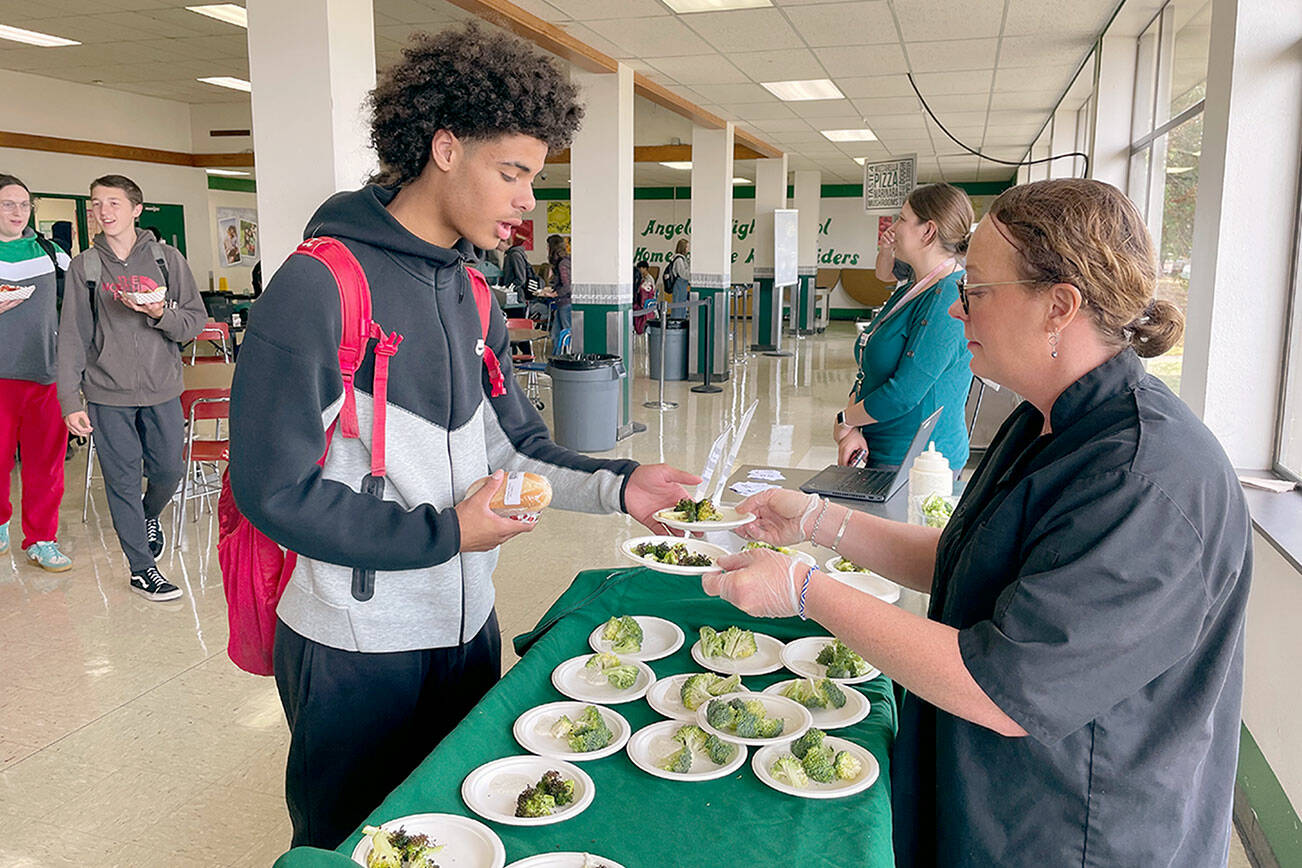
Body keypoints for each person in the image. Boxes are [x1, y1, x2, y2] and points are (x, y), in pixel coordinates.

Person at [227, 24, 698, 850]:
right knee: (357, 843)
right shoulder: (319, 287)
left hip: (467, 630)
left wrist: (622, 485)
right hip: (354, 649)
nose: (527, 199)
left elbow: (515, 445)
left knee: (467, 832)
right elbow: (274, 492)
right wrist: (446, 533)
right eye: (511, 172)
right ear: (444, 148)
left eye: (533, 177)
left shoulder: (472, 295)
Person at [705, 178, 1251, 867]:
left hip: (1069, 831)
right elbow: (971, 560)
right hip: (988, 798)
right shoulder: (1047, 418)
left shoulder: (1144, 481)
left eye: (977, 293)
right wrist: (818, 519)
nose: (959, 313)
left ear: (1059, 306)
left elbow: (1003, 687)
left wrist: (805, 591)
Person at [57, 174, 207, 601]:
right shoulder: (85, 267)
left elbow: (192, 322)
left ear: (136, 210)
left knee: (168, 470)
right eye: (96, 204)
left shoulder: (166, 260)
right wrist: (70, 399)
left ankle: (148, 515)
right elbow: (71, 337)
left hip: (162, 388)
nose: (103, 212)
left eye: (113, 203)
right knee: (121, 479)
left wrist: (160, 314)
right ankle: (143, 569)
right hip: (107, 393)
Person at [834, 183, 974, 472]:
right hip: (877, 444)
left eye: (901, 218)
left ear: (928, 231)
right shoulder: (914, 287)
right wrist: (853, 428)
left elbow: (904, 394)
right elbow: (869, 368)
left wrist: (845, 419)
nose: (893, 228)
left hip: (917, 463)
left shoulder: (946, 297)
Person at [0, 174, 73, 571]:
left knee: (46, 463)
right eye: (7, 204)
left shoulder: (50, 251)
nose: (17, 212)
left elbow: (81, 295)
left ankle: (42, 539)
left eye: (24, 204)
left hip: (46, 371)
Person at [545, 232, 571, 338]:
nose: (546, 249)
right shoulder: (565, 262)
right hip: (564, 303)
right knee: (555, 334)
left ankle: (564, 354)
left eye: (547, 246)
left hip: (566, 303)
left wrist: (555, 294)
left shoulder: (562, 264)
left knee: (565, 334)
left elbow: (568, 286)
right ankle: (557, 355)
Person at [633, 259, 656, 335]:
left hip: (644, 308)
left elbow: (643, 300)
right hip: (650, 307)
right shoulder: (645, 279)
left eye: (640, 268)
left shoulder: (647, 280)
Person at [662, 237, 689, 301]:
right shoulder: (679, 260)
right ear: (683, 248)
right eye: (687, 247)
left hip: (680, 285)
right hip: (679, 285)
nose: (688, 249)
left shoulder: (680, 259)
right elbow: (683, 274)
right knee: (679, 305)